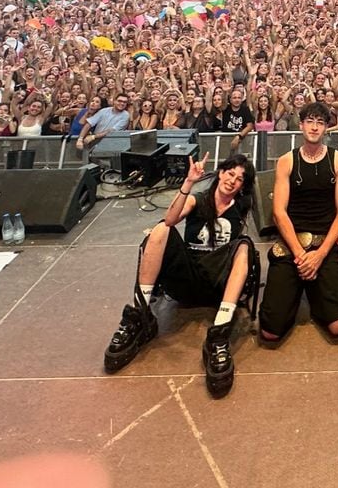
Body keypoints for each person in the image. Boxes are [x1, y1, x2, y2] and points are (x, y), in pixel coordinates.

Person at [104, 152, 257, 397]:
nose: (233, 181)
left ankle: (220, 330)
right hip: (188, 279)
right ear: (220, 173)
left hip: (218, 284)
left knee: (245, 246)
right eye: (230, 173)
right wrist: (188, 183)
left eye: (239, 179)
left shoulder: (241, 206)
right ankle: (140, 313)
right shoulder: (199, 199)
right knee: (161, 229)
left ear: (242, 186)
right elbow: (171, 218)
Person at [258, 101, 338, 343]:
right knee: (270, 331)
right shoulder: (286, 161)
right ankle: (301, 283)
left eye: (320, 123)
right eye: (309, 121)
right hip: (292, 245)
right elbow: (279, 212)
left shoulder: (337, 160)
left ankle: (313, 288)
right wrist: (301, 256)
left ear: (326, 128)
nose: (314, 127)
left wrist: (320, 255)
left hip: (324, 244)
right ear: (301, 125)